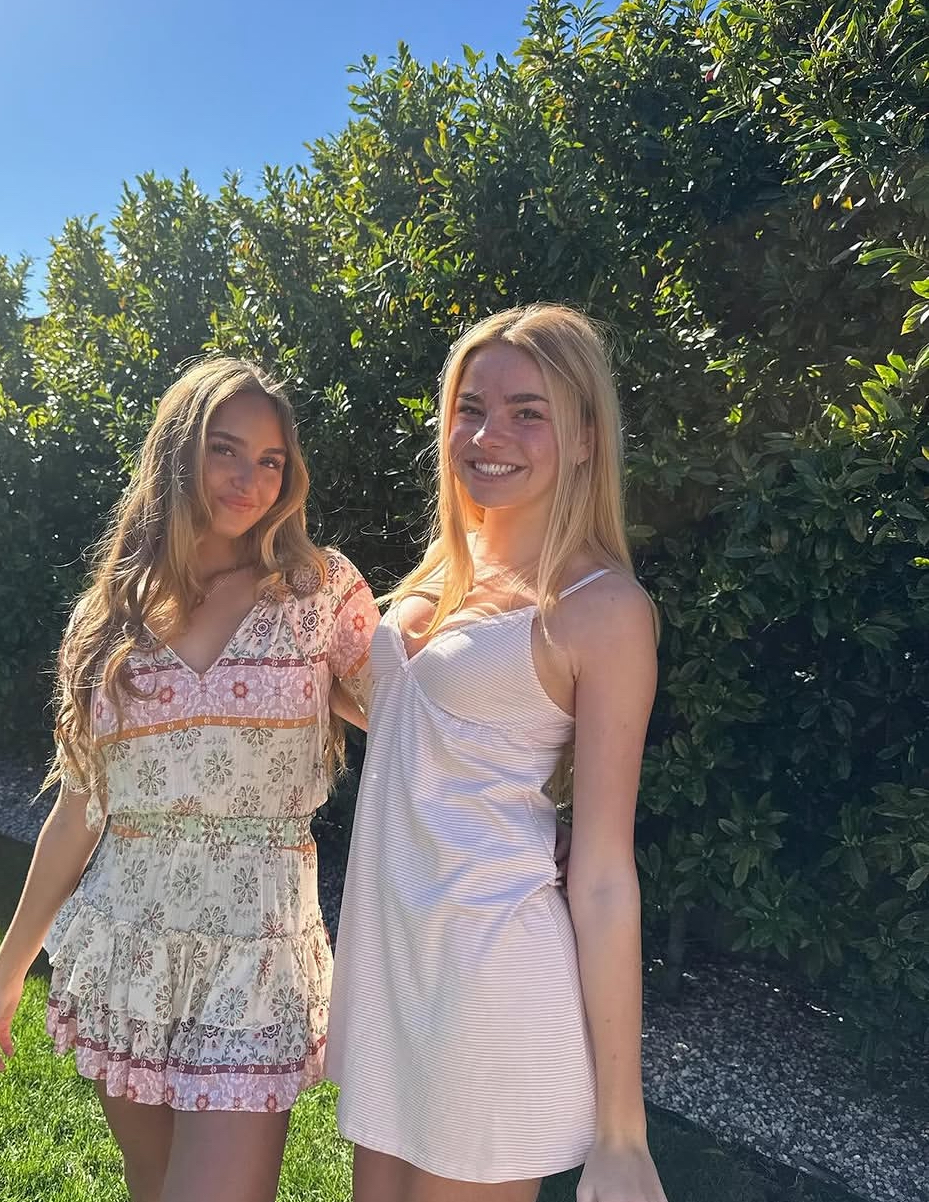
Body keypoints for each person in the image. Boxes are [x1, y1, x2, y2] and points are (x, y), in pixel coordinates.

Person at [0, 358, 378, 1202]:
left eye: (271, 460)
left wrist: (529, 807)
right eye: (225, 450)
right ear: (177, 454)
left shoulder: (318, 592)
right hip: (130, 948)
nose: (251, 479)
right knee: (154, 1186)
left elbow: (417, 724)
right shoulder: (109, 617)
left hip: (257, 954)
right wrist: (10, 964)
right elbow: (80, 805)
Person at [326, 304, 667, 1202]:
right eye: (470, 408)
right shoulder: (440, 576)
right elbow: (418, 729)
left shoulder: (601, 609)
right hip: (395, 968)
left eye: (527, 412)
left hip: (490, 979)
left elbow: (604, 875)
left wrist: (622, 1134)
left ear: (585, 437)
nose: (487, 435)